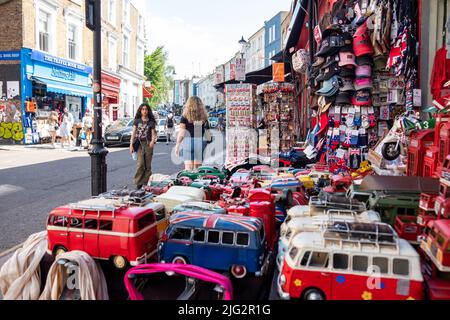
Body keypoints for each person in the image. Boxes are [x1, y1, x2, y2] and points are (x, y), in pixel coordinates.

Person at [175, 96, 210, 171]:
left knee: (188, 168)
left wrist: (177, 145)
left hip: (188, 141)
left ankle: (188, 181)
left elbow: (182, 132)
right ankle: (196, 180)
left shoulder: (184, 117)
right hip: (200, 140)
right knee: (197, 168)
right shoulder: (203, 116)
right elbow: (203, 131)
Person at [129, 103, 157, 190]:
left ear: (148, 111)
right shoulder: (137, 121)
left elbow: (153, 133)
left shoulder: (151, 122)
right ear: (140, 111)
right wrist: (131, 145)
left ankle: (145, 183)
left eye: (146, 109)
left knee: (148, 165)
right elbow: (133, 133)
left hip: (148, 143)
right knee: (140, 163)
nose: (144, 111)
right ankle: (138, 182)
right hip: (139, 143)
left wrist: (152, 141)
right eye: (143, 109)